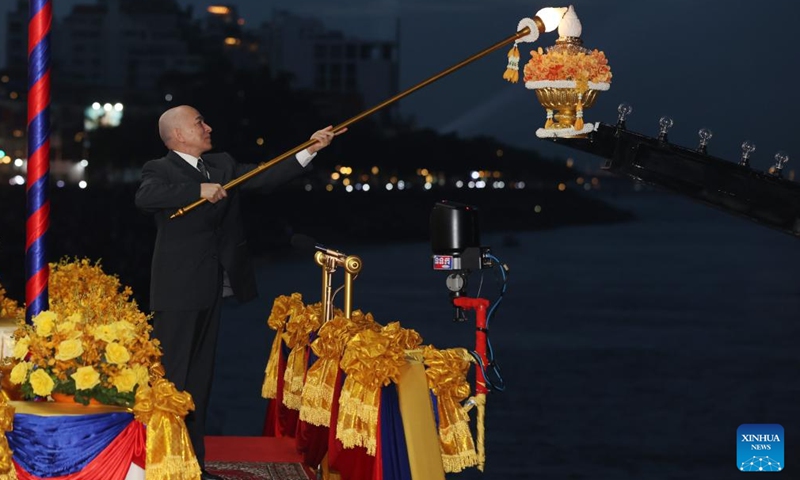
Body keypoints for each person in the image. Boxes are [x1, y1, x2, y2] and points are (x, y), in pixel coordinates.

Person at [135, 105, 344, 480]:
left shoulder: (222, 163)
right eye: (200, 122)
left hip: (211, 287)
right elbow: (146, 197)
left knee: (199, 381)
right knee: (171, 380)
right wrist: (196, 189)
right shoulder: (159, 169)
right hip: (176, 291)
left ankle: (193, 465)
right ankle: (161, 464)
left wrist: (311, 148)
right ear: (179, 134)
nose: (208, 126)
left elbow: (264, 176)